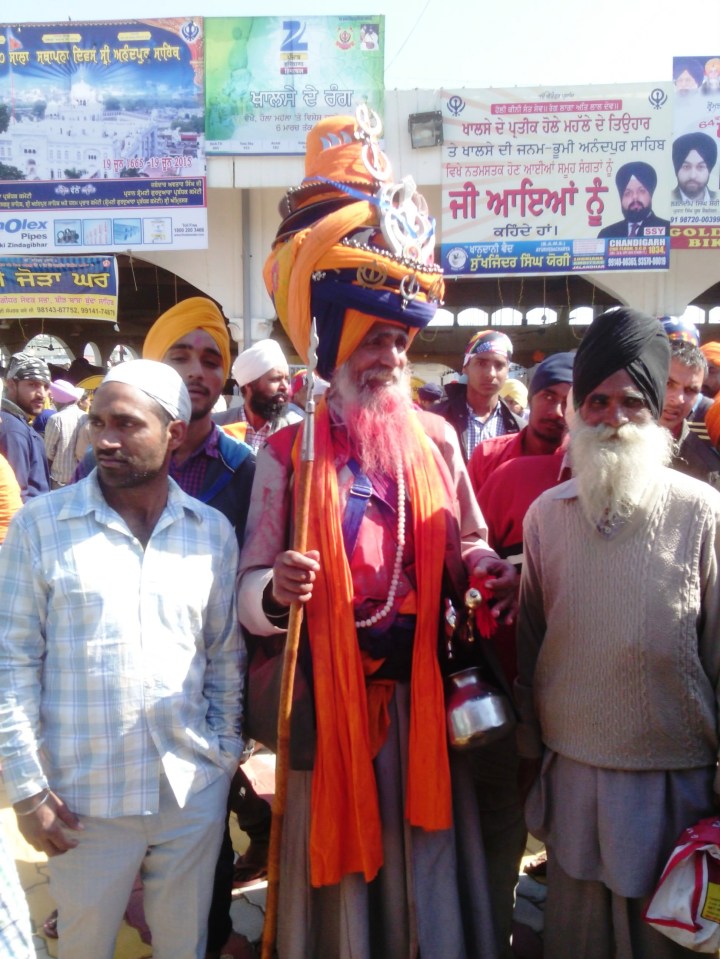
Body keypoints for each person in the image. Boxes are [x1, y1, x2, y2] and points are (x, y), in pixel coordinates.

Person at [239, 108, 519, 959]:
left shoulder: (435, 437)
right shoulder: (289, 449)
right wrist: (274, 590)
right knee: (341, 905)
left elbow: (469, 537)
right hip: (330, 710)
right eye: (373, 341)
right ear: (337, 344)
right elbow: (247, 592)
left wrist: (483, 566)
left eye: (399, 342)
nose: (390, 357)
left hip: (425, 706)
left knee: (428, 870)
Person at [0, 359, 244, 959]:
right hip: (82, 803)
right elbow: (12, 663)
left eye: (126, 425)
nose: (104, 439)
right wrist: (29, 791)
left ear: (174, 434)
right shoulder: (40, 527)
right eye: (97, 421)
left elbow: (224, 657)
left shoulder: (209, 531)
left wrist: (223, 752)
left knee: (183, 944)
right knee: (85, 943)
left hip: (189, 791)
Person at [516, 307, 720, 959]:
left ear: (658, 409)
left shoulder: (704, 515)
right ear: (576, 409)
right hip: (575, 772)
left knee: (674, 937)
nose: (612, 417)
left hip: (676, 783)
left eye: (631, 400)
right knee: (577, 938)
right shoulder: (547, 516)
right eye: (596, 400)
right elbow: (530, 640)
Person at [142, 296, 261, 959]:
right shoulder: (108, 455)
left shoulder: (243, 472)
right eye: (179, 355)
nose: (196, 371)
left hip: (204, 698)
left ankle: (210, 940)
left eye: (211, 358)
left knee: (204, 839)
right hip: (118, 698)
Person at [469, 351, 574, 495]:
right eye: (548, 397)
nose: (557, 412)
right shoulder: (488, 455)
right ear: (530, 399)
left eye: (567, 402)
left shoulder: (580, 468)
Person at [437, 329, 524, 462]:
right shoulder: (438, 420)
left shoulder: (520, 429)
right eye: (482, 363)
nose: (491, 374)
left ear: (507, 371)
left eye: (499, 365)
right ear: (465, 367)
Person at [213, 338, 302, 450]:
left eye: (286, 379)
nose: (285, 387)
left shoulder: (297, 430)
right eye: (276, 379)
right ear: (249, 385)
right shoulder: (217, 427)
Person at [659, 339, 720, 487]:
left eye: (690, 390)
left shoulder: (706, 471)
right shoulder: (606, 437)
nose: (678, 399)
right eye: (668, 384)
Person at [0, 352, 51, 499]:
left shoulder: (17, 423)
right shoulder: (13, 430)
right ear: (11, 384)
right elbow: (15, 495)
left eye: (45, 386)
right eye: (32, 384)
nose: (42, 394)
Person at [597, 162, 670, 238]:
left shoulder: (668, 230)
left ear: (650, 194)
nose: (635, 197)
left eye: (641, 191)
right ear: (621, 198)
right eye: (627, 193)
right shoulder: (607, 234)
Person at [44, 379, 87, 488]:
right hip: (83, 478)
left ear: (59, 400)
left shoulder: (56, 419)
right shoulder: (86, 417)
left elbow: (48, 452)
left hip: (60, 481)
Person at [671, 132, 718, 204]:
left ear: (709, 170)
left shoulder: (717, 198)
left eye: (700, 167)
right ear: (676, 169)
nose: (693, 176)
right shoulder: (665, 199)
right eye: (686, 167)